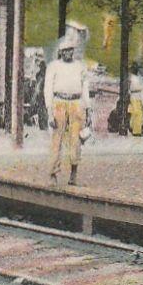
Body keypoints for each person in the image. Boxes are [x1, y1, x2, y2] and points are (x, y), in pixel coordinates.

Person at [44, 37, 91, 186]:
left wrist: (88, 108)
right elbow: (48, 89)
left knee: (75, 140)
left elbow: (85, 88)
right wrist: (49, 111)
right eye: (65, 50)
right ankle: (53, 173)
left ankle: (73, 174)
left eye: (70, 50)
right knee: (56, 139)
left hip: (76, 103)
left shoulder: (80, 66)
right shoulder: (53, 66)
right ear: (60, 52)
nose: (68, 53)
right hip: (59, 102)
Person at [127, 63, 143, 137]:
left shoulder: (135, 77)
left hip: (137, 96)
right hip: (136, 96)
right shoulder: (134, 77)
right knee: (137, 114)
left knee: (136, 113)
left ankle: (134, 128)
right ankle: (136, 131)